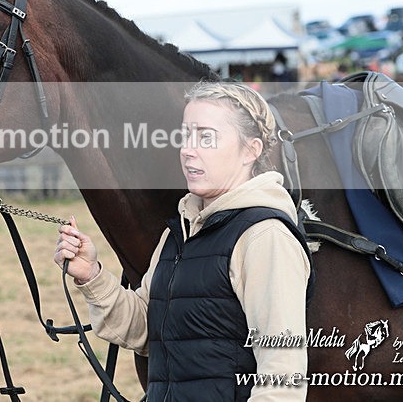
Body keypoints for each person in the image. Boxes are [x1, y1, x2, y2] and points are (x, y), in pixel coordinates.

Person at [54, 81, 312, 401]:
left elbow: (283, 375)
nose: (188, 149)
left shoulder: (265, 237)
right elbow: (145, 329)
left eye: (206, 137)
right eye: (185, 135)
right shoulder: (179, 234)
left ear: (251, 150)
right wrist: (91, 275)